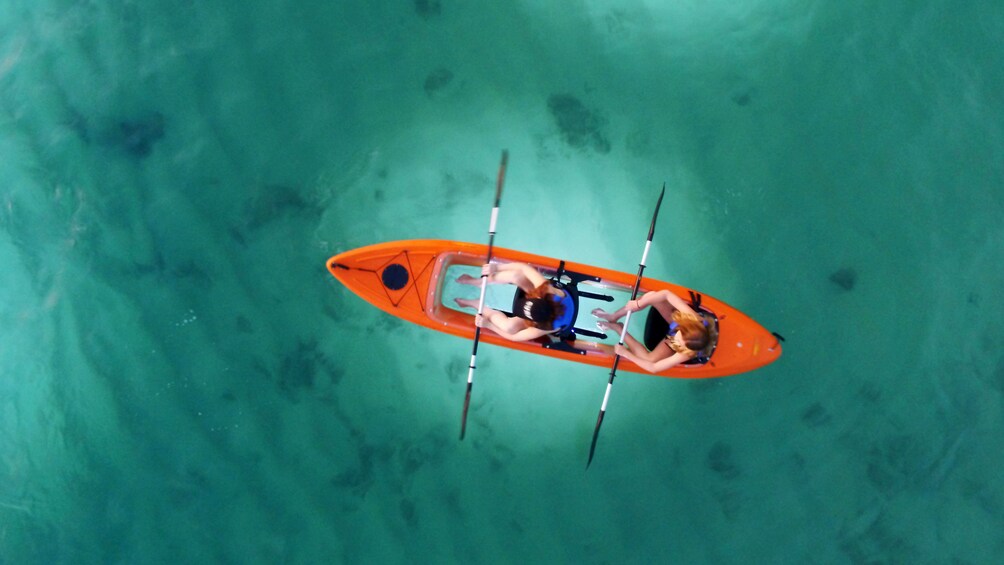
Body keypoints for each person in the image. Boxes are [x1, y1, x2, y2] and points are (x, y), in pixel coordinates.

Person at [591, 289, 712, 373]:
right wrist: (638, 304)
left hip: (677, 335)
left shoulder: (687, 353)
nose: (676, 338)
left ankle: (618, 328)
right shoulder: (694, 318)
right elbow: (666, 294)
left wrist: (625, 353)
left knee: (649, 359)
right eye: (679, 336)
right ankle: (614, 316)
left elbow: (653, 367)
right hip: (678, 323)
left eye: (679, 342)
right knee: (652, 296)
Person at [454, 262, 573, 342]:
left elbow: (514, 337)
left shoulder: (546, 327)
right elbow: (524, 268)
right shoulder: (547, 290)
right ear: (537, 297)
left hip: (548, 316)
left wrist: (488, 325)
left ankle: (477, 304)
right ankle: (478, 282)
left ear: (533, 322)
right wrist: (497, 268)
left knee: (509, 327)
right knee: (516, 276)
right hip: (549, 300)